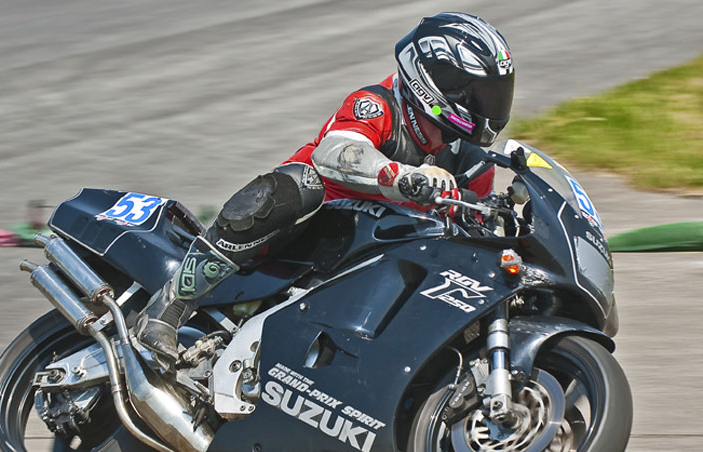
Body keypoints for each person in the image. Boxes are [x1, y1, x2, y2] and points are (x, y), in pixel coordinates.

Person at [137, 12, 516, 368]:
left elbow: (476, 230)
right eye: (476, 94)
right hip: (303, 238)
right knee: (298, 186)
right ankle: (169, 307)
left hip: (376, 266)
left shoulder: (469, 159)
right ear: (436, 80)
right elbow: (336, 152)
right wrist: (401, 177)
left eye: (494, 94)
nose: (486, 107)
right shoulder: (379, 104)